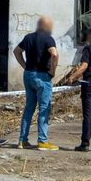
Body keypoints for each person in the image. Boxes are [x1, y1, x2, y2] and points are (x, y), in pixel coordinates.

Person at [13, 16, 60, 151]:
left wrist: (25, 65)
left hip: (28, 75)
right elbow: (55, 54)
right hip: (42, 76)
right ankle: (42, 141)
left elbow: (16, 51)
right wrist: (53, 70)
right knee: (44, 108)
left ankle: (22, 140)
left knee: (29, 108)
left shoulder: (28, 37)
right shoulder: (48, 38)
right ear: (47, 26)